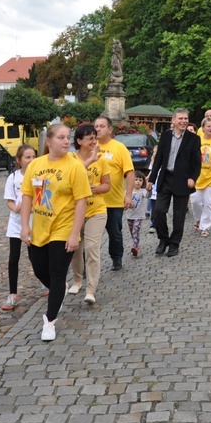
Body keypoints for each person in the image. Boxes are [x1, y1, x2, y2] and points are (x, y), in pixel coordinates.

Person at [20, 124, 91, 341]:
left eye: (67, 137)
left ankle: (50, 321)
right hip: (40, 228)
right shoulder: (36, 165)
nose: (66, 141)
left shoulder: (75, 166)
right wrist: (24, 225)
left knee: (57, 272)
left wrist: (74, 234)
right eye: (60, 137)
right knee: (40, 269)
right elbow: (27, 196)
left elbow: (81, 202)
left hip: (63, 228)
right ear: (48, 141)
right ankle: (59, 288)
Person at [147, 108, 201, 257]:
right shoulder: (164, 136)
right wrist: (151, 179)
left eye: (185, 119)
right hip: (165, 179)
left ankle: (174, 244)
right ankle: (163, 240)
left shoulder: (193, 139)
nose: (183, 121)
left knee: (179, 215)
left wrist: (192, 178)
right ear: (173, 120)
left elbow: (197, 163)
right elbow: (158, 159)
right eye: (180, 119)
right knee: (159, 211)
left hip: (183, 181)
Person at [68, 124, 110, 304]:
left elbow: (107, 185)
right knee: (76, 247)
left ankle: (91, 289)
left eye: (95, 137)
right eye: (90, 138)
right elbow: (71, 179)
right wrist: (90, 161)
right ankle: (77, 279)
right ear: (79, 141)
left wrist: (96, 188)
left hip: (96, 210)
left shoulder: (102, 159)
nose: (94, 141)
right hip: (75, 211)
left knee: (92, 248)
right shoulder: (70, 159)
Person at [94, 116, 135, 271]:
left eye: (102, 126)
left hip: (113, 200)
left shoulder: (119, 148)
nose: (98, 129)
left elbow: (129, 172)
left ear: (110, 129)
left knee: (115, 233)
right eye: (96, 126)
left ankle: (116, 258)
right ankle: (87, 264)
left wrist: (128, 195)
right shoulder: (91, 147)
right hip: (93, 201)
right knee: (90, 236)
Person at [2, 144, 37, 311]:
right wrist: (14, 207)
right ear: (19, 160)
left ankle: (51, 285)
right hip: (16, 222)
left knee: (35, 257)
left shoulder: (39, 176)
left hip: (34, 221)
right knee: (13, 257)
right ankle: (13, 293)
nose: (31, 160)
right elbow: (9, 199)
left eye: (33, 157)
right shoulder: (13, 177)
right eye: (27, 157)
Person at [125, 171, 147, 255]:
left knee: (135, 230)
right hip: (129, 215)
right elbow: (124, 201)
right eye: (136, 179)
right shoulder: (127, 192)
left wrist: (149, 189)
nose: (138, 182)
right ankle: (136, 243)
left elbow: (147, 195)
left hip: (139, 216)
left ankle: (135, 246)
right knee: (132, 231)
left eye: (140, 180)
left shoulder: (142, 191)